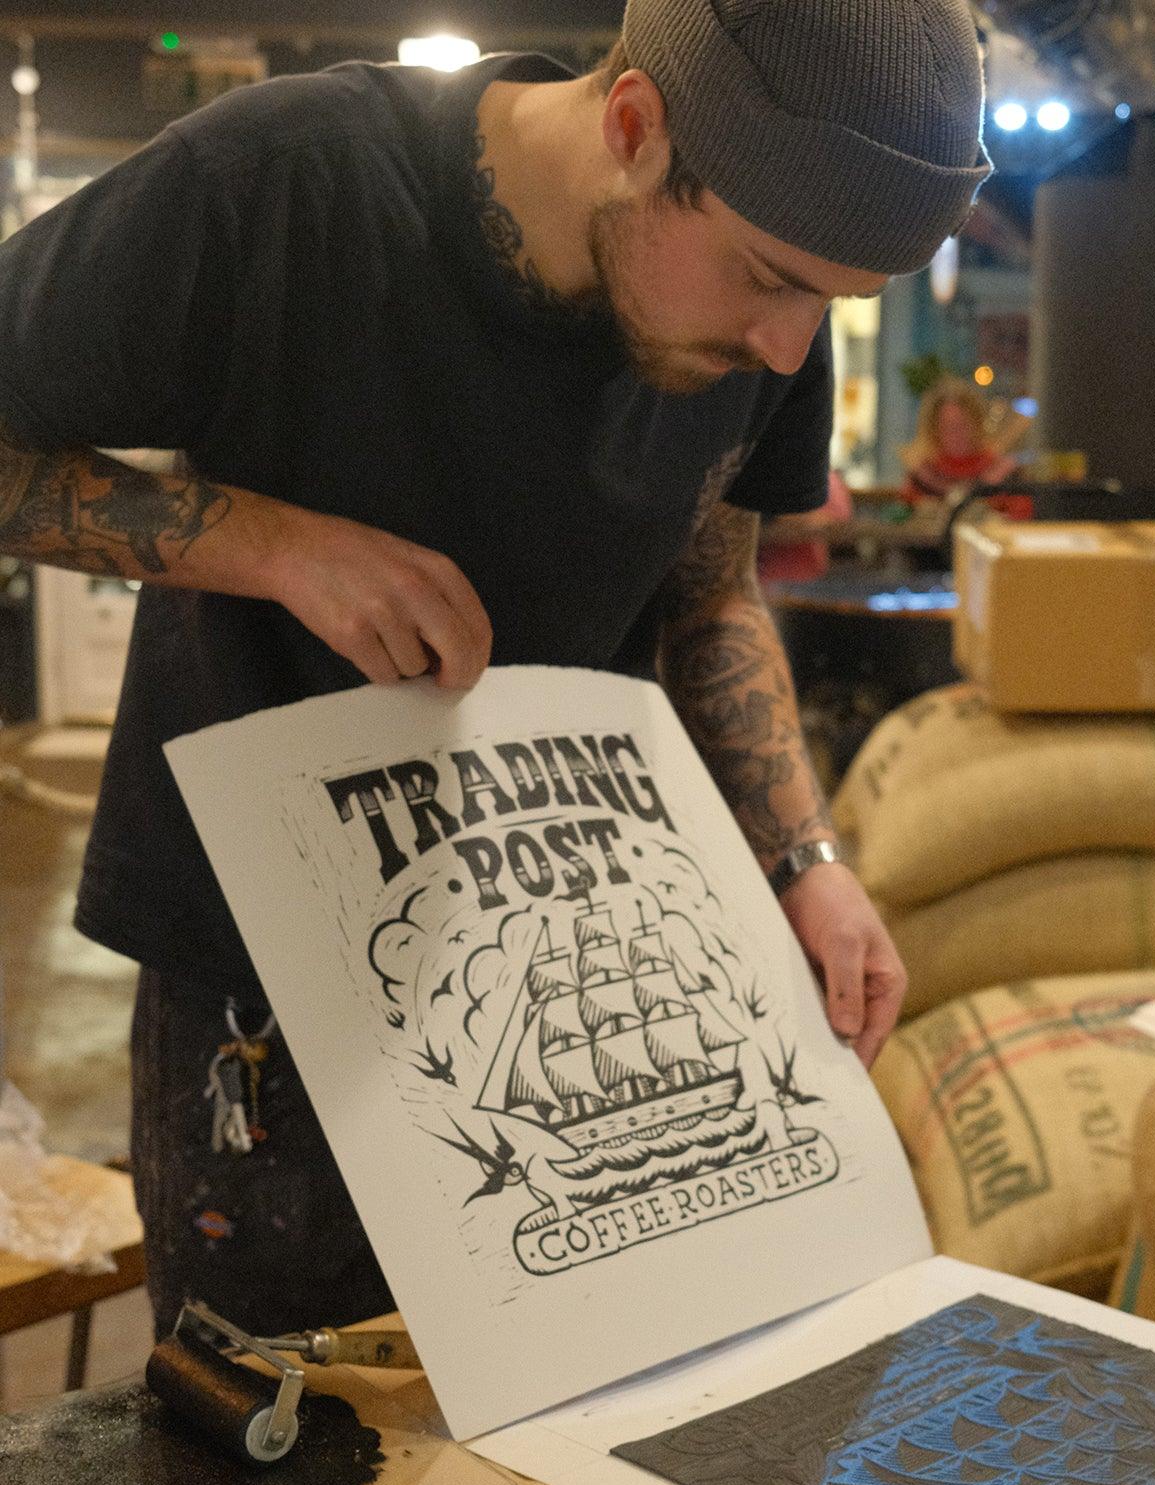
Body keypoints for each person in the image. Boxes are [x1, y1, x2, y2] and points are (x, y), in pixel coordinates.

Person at [0, 1, 991, 1336]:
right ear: (634, 127)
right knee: (278, 1409)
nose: (786, 350)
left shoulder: (772, 304)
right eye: (766, 278)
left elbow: (711, 592)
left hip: (584, 956)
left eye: (837, 302)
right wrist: (275, 547)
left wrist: (801, 859)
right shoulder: (279, 184)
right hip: (273, 981)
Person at [901, 377, 1020, 503]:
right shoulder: (922, 477)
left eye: (963, 425)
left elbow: (1020, 509)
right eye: (948, 427)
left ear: (977, 423)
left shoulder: (1001, 472)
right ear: (934, 430)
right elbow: (904, 509)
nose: (956, 435)